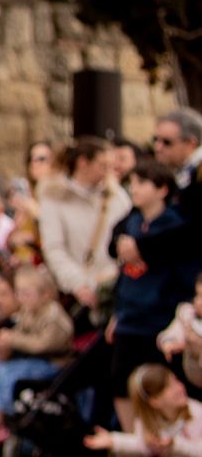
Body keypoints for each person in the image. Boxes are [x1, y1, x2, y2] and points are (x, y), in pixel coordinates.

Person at [105, 158, 200, 400]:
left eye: (142, 183)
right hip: (130, 317)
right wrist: (118, 312)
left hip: (161, 316)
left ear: (162, 189)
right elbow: (122, 272)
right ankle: (133, 436)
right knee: (121, 383)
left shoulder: (178, 225)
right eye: (133, 183)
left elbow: (183, 274)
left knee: (164, 387)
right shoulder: (131, 222)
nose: (134, 189)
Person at [0, 267, 75, 449]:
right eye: (20, 293)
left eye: (27, 294)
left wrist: (13, 339)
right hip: (30, 361)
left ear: (46, 294)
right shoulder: (26, 313)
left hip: (51, 363)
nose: (22, 299)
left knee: (5, 374)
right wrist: (2, 343)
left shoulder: (53, 315)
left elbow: (43, 345)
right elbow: (17, 335)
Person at [37, 136, 127, 315]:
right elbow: (54, 249)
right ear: (83, 163)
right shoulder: (54, 199)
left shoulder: (117, 196)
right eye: (103, 165)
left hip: (114, 285)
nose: (108, 172)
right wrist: (78, 284)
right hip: (78, 289)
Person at [84, 364, 202, 457]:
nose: (179, 388)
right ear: (155, 401)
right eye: (170, 387)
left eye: (176, 381)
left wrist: (175, 445)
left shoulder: (195, 413)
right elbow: (140, 444)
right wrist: (113, 440)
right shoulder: (146, 420)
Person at [154, 107, 202, 220]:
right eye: (155, 140)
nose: (158, 147)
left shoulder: (198, 173)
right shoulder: (180, 170)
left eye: (167, 142)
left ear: (191, 143)